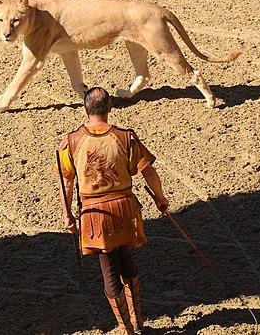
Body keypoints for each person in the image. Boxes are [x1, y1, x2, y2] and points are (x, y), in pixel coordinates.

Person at [56, 87, 170, 334]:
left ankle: (127, 328)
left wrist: (67, 215)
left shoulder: (71, 142)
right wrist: (160, 198)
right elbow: (148, 171)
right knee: (127, 260)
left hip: (95, 216)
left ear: (86, 110)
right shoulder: (125, 137)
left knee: (109, 270)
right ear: (110, 108)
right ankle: (137, 322)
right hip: (124, 210)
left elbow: (67, 182)